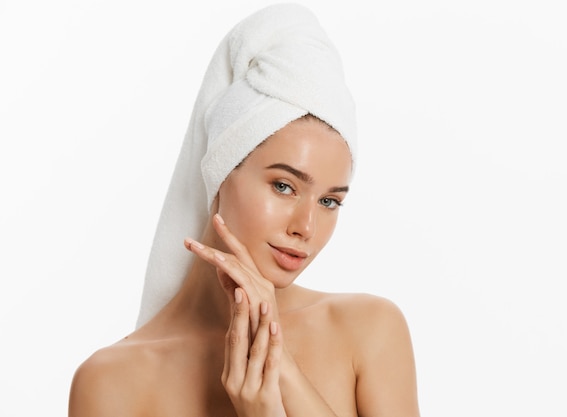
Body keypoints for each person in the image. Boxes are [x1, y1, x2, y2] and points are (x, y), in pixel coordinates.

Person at [68, 3, 420, 416]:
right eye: (284, 186)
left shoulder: (369, 329)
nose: (306, 227)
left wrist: (278, 379)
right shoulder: (112, 380)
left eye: (329, 201)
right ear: (220, 171)